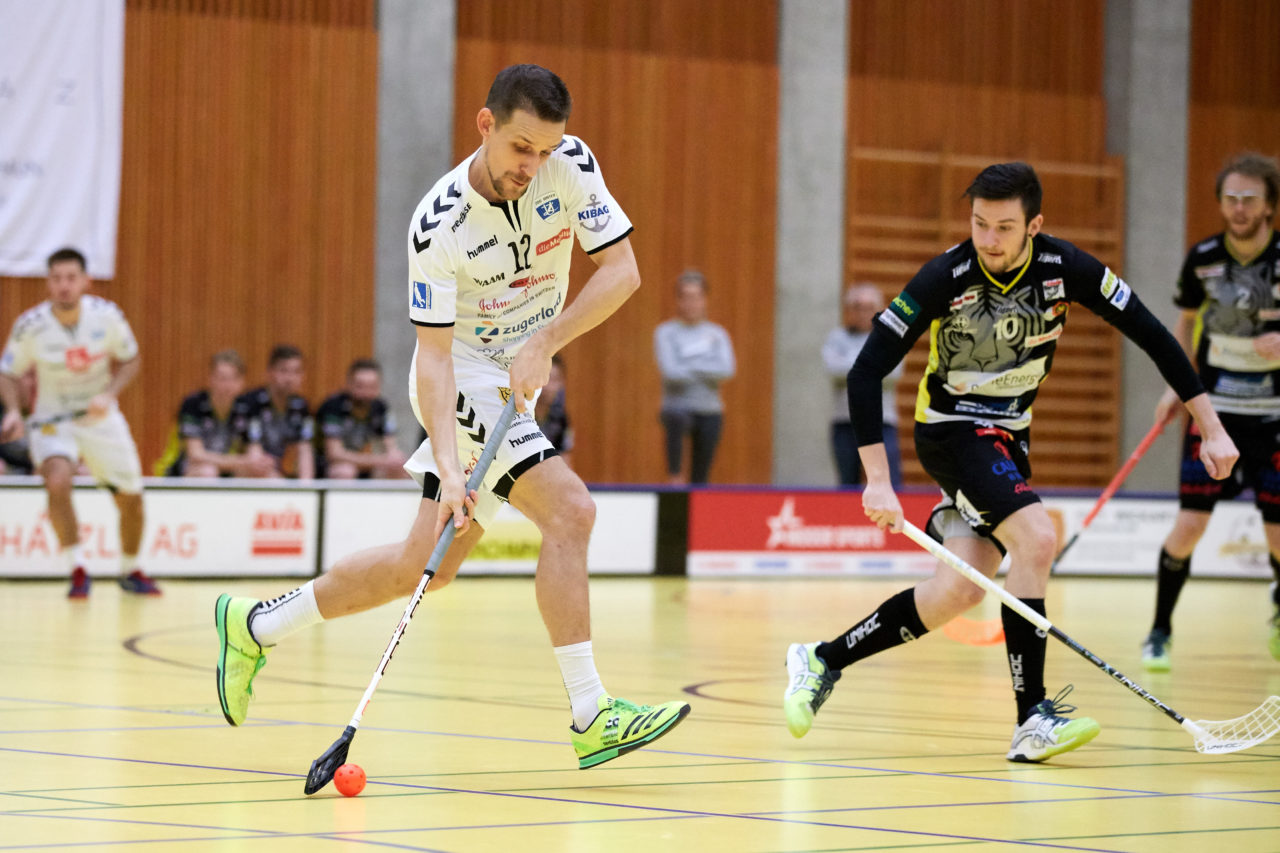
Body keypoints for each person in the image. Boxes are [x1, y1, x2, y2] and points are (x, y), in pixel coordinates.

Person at [213, 64, 689, 768]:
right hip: (462, 373)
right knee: (571, 512)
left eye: (546, 150)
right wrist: (446, 455)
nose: (534, 165)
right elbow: (431, 360)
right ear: (485, 124)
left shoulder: (572, 165)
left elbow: (623, 271)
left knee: (424, 568)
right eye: (521, 147)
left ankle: (255, 625)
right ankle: (591, 712)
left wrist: (546, 341)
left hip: (519, 368)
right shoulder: (438, 226)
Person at [782, 163, 1238, 763]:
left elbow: (1154, 334)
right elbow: (867, 370)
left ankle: (821, 659)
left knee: (956, 591)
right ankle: (1032, 719)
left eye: (1003, 227)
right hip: (949, 431)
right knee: (1037, 539)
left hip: (1007, 438)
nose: (989, 240)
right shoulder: (945, 274)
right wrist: (878, 482)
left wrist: (1211, 426)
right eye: (979, 224)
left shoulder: (1065, 268)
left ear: (1034, 226)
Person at [1140, 152, 1280, 671]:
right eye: (1231, 198)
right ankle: (1159, 631)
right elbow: (1184, 327)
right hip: (1216, 418)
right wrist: (1178, 386)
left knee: (1278, 534)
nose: (1239, 208)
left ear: (1268, 206)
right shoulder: (1202, 258)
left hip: (1275, 420)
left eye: (1250, 199)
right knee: (1189, 526)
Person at [0, 247, 161, 597]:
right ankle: (76, 567)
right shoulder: (31, 326)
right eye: (57, 279)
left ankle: (130, 569)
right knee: (57, 480)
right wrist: (13, 410)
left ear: (85, 281)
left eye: (71, 278)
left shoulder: (108, 316)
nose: (64, 286)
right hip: (52, 420)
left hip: (99, 418)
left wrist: (111, 392)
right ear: (48, 283)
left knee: (131, 497)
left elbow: (131, 360)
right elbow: (8, 372)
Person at [654, 269, 736, 484]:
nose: (691, 303)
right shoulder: (666, 332)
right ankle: (675, 478)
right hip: (677, 407)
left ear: (705, 300)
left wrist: (688, 364)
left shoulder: (718, 334)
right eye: (686, 297)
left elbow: (726, 369)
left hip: (710, 409)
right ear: (678, 300)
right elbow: (671, 372)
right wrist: (706, 366)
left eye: (696, 297)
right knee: (676, 417)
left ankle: (698, 500)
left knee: (701, 475)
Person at [823, 283, 904, 487]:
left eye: (868, 307)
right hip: (844, 423)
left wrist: (854, 365)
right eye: (857, 307)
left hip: (882, 422)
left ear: (879, 309)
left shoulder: (889, 338)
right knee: (847, 484)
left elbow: (893, 372)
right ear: (848, 310)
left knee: (889, 482)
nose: (862, 312)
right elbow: (834, 370)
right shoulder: (836, 338)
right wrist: (871, 366)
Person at [155, 350, 275, 478]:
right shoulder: (193, 405)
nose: (226, 385)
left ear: (241, 382)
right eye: (221, 378)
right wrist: (243, 461)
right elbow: (196, 454)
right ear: (210, 379)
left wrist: (261, 462)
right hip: (184, 471)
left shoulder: (247, 408)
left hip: (225, 469)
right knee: (207, 472)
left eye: (232, 379)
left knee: (264, 473)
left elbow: (254, 449)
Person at [231, 344, 314, 480]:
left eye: (296, 372)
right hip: (247, 469)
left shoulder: (301, 406)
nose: (289, 378)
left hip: (277, 469)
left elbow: (305, 450)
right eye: (284, 371)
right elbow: (253, 451)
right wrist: (278, 482)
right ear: (270, 372)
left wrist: (307, 488)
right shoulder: (251, 403)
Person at [315, 358, 407, 479]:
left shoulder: (380, 408)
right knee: (345, 471)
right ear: (348, 384)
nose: (366, 393)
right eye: (360, 386)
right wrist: (378, 460)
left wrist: (394, 459)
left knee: (399, 465)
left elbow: (391, 447)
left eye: (372, 387)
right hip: (324, 466)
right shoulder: (333, 407)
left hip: (360, 463)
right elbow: (334, 454)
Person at [534, 353, 574, 468]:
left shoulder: (560, 418)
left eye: (554, 380)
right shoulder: (519, 415)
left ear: (562, 384)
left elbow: (565, 461)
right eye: (544, 378)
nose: (548, 386)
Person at [0, 369, 35, 475]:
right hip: (10, 470)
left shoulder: (55, 408)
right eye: (26, 377)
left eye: (34, 378)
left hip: (45, 468)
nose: (31, 383)